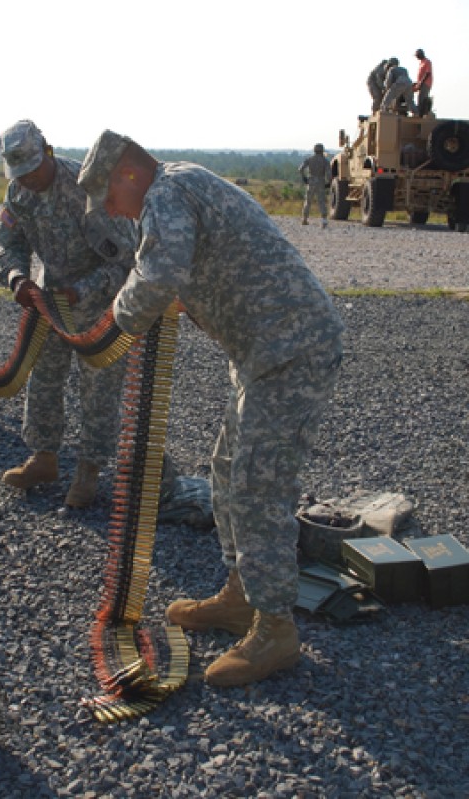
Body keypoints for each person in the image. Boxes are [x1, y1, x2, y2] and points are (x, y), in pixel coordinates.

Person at [77, 130, 344, 688]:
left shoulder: (165, 195)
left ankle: (277, 630)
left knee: (256, 484)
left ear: (126, 175)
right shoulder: (178, 187)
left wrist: (111, 331)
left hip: (292, 348)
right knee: (225, 470)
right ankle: (243, 596)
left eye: (108, 197)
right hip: (262, 353)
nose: (110, 210)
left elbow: (158, 274)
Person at [0, 120, 137, 507]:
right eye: (19, 174)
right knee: (44, 377)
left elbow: (126, 262)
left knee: (99, 388)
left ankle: (89, 471)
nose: (26, 180)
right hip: (53, 298)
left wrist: (82, 291)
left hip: (102, 302)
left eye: (32, 171)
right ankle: (44, 457)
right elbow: (9, 244)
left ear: (48, 153)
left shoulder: (85, 189)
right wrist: (17, 278)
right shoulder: (18, 193)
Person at [298, 143, 331, 228]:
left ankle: (304, 219)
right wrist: (329, 182)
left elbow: (300, 169)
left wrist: (304, 178)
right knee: (321, 201)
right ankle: (323, 221)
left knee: (308, 201)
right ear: (322, 150)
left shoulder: (309, 159)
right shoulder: (325, 161)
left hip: (311, 181)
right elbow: (329, 174)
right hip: (321, 181)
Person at [413, 48, 433, 117]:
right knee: (419, 98)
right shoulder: (421, 62)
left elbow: (427, 73)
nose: (416, 57)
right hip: (420, 83)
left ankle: (421, 114)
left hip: (425, 83)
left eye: (417, 55)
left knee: (422, 98)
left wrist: (421, 83)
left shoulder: (427, 62)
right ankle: (419, 112)